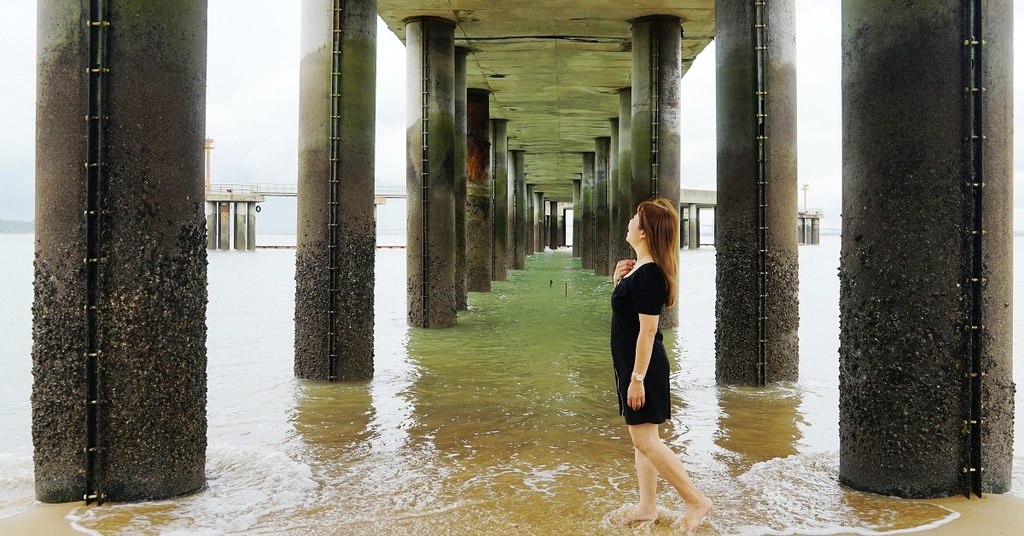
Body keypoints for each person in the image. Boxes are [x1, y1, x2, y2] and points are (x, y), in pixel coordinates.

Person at [610, 198, 712, 532]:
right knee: (642, 440)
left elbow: (649, 329)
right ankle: (647, 507)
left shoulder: (649, 275)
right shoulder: (638, 270)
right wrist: (618, 284)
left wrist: (637, 378)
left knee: (646, 441)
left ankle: (696, 501)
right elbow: (627, 316)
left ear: (644, 231)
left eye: (635, 217)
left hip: (644, 368)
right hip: (633, 366)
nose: (629, 220)